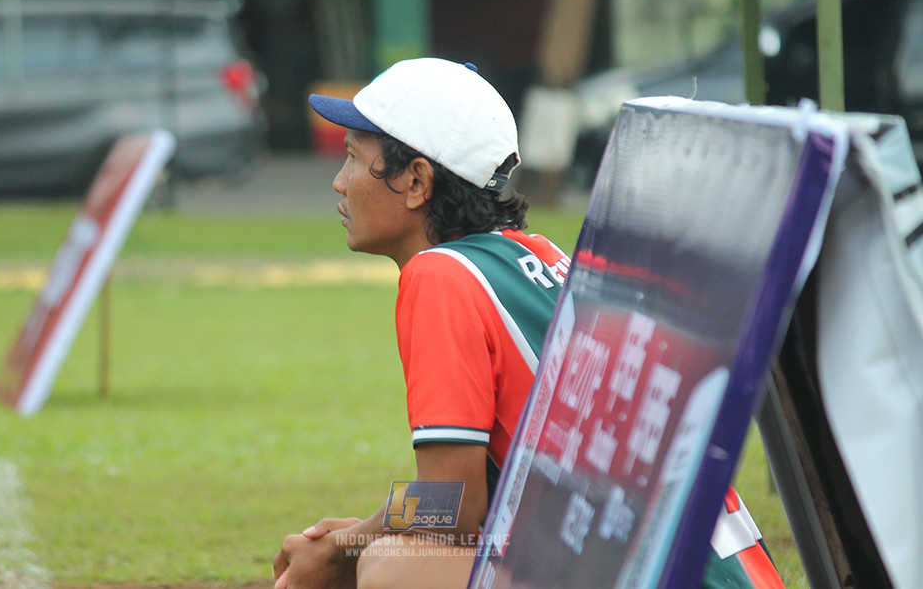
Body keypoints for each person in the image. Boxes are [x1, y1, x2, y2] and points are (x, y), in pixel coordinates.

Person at [271, 58, 784, 589]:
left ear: (418, 180)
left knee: (398, 567)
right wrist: (355, 536)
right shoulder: (540, 254)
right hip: (714, 571)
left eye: (353, 158)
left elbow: (453, 504)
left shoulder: (440, 275)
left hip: (652, 573)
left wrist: (343, 551)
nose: (339, 182)